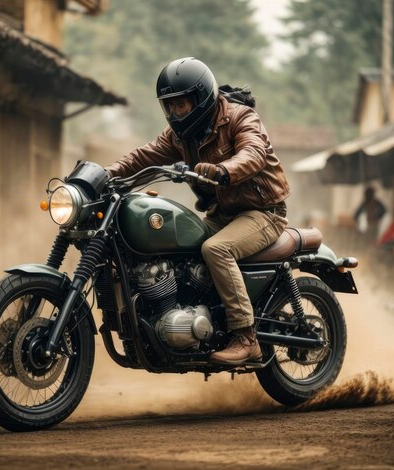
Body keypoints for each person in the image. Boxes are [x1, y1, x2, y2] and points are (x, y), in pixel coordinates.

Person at [106, 57, 290, 365]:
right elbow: (145, 156)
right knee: (184, 251)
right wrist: (106, 173)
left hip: (263, 212)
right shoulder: (180, 136)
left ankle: (246, 336)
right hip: (222, 214)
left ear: (201, 97)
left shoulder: (239, 117)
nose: (176, 112)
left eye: (182, 105)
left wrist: (223, 170)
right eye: (170, 106)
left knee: (216, 250)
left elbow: (253, 152)